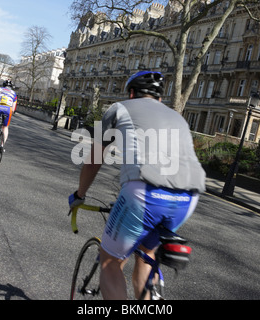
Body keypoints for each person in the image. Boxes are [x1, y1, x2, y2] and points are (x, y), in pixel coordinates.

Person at [68, 70, 206, 300]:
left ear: (131, 93)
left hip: (144, 193)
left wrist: (79, 195)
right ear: (160, 99)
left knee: (110, 261)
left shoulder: (118, 108)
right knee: (146, 254)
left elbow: (93, 160)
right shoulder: (179, 118)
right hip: (188, 198)